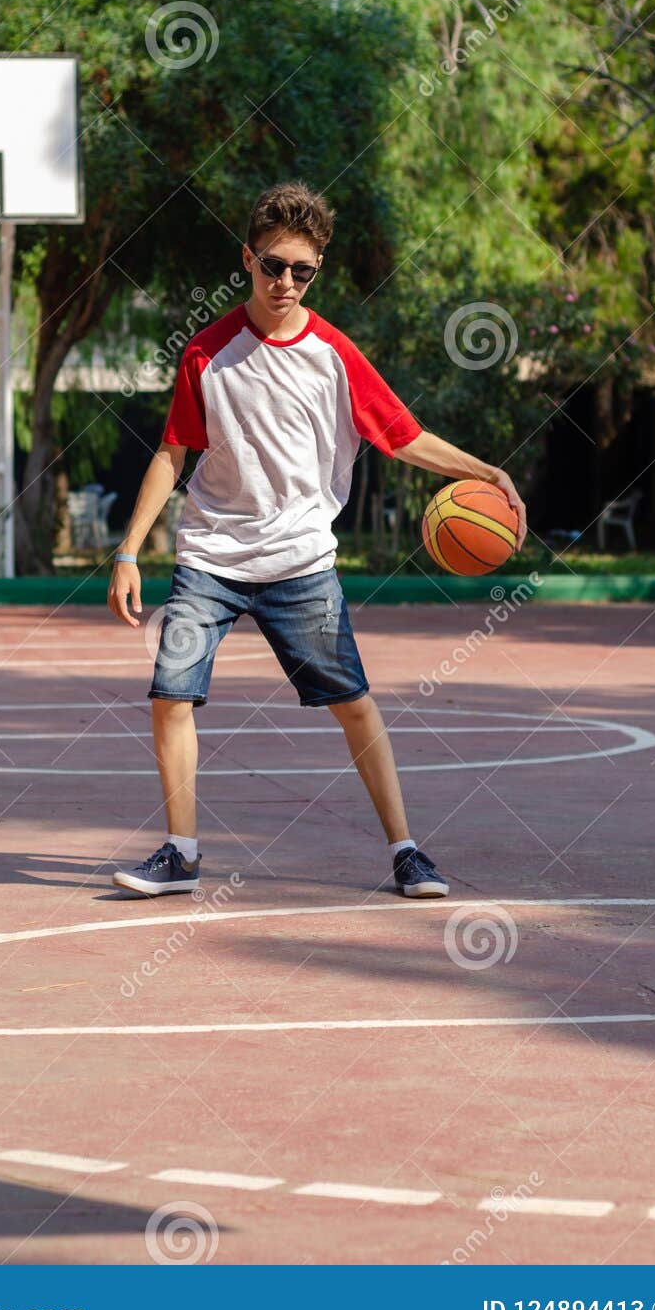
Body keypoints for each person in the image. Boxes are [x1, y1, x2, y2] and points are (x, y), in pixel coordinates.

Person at [107, 180, 526, 900]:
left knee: (353, 704)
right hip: (210, 553)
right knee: (169, 696)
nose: (286, 282)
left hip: (300, 559)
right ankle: (181, 854)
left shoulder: (334, 354)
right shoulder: (207, 353)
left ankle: (406, 852)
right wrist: (127, 552)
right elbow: (172, 452)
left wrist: (484, 468)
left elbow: (403, 436)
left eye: (302, 271)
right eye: (274, 266)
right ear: (248, 258)